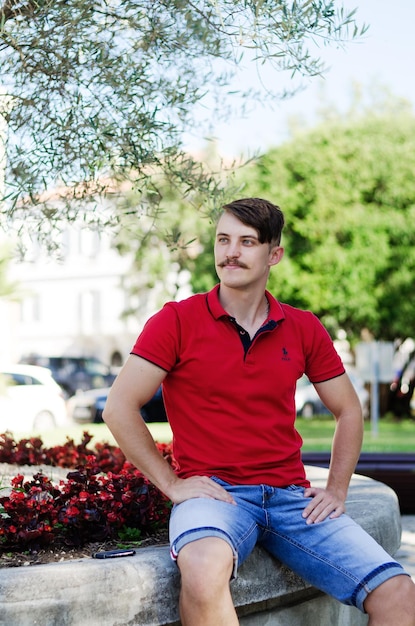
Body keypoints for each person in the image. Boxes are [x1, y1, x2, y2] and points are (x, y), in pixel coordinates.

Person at [103, 198, 415, 626]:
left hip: (290, 497)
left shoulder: (304, 327)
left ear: (274, 255)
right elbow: (119, 408)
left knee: (399, 592)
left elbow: (348, 411)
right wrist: (173, 484)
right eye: (223, 240)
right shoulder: (176, 321)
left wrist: (337, 490)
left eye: (247, 242)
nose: (230, 252)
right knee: (202, 568)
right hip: (216, 495)